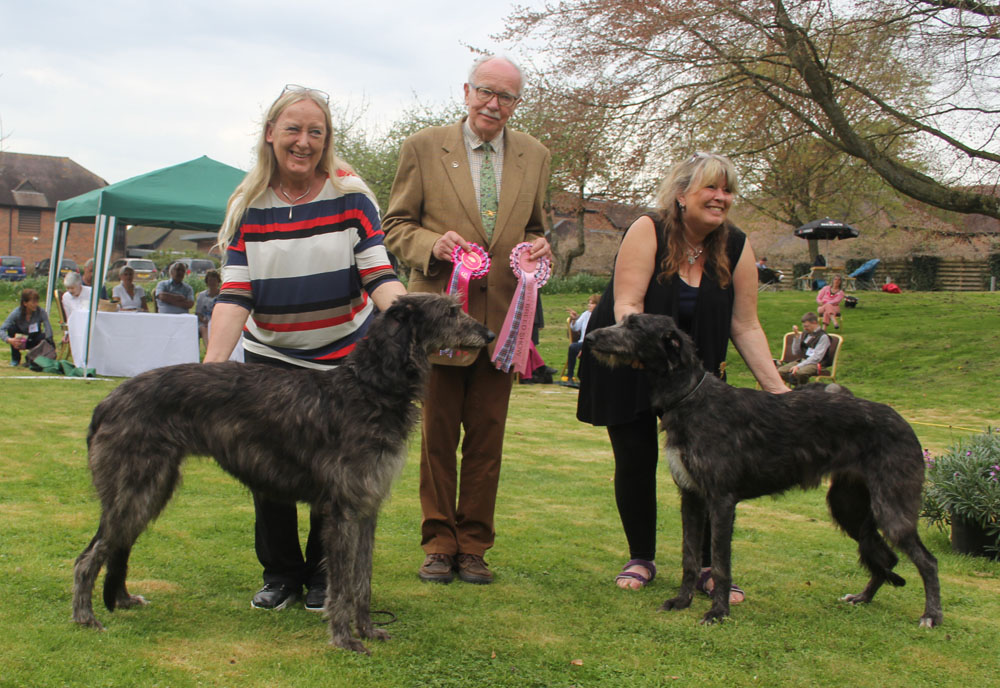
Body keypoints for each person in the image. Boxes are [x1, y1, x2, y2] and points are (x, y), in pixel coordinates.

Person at [203, 84, 406, 613]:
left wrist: (407, 314)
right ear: (270, 134)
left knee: (335, 475)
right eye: (293, 129)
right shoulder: (247, 205)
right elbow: (235, 293)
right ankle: (280, 575)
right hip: (271, 356)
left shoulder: (351, 195)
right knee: (267, 472)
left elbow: (378, 271)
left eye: (316, 131)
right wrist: (209, 371)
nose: (304, 141)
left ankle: (323, 577)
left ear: (327, 139)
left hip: (342, 356)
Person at [576, 152, 788, 601]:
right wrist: (639, 352)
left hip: (694, 379)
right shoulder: (647, 229)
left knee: (710, 466)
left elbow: (745, 325)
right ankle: (641, 557)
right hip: (632, 358)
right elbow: (628, 305)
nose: (721, 198)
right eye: (711, 188)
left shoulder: (736, 246)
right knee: (635, 459)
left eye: (728, 190)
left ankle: (708, 567)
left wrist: (779, 392)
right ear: (681, 195)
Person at [383, 54, 551, 585]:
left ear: (517, 103)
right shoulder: (423, 147)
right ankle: (438, 541)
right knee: (435, 436)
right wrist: (434, 245)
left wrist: (541, 249)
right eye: (485, 92)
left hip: (504, 324)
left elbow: (535, 229)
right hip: (438, 321)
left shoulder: (536, 155)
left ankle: (474, 545)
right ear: (466, 91)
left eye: (506, 97)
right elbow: (395, 227)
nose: (494, 105)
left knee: (487, 439)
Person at [3, 288, 55, 367]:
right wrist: (9, 340)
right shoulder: (16, 313)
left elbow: (48, 328)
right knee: (11, 328)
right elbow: (2, 329)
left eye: (37, 302)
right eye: (33, 302)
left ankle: (35, 358)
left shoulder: (41, 312)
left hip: (35, 338)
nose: (36, 304)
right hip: (20, 339)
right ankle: (15, 359)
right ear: (25, 303)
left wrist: (50, 342)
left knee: (44, 336)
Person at [777, 312, 831, 386]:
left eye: (807, 326)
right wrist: (796, 338)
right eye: (804, 326)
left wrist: (799, 366)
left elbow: (817, 358)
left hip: (816, 364)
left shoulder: (823, 337)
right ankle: (803, 387)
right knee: (781, 371)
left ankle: (803, 389)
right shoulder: (805, 334)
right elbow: (796, 352)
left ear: (814, 323)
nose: (805, 328)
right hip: (803, 361)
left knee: (800, 373)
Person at [564, 293, 599, 385]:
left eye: (592, 303)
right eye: (589, 303)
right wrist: (574, 319)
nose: (589, 305)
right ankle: (570, 375)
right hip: (583, 342)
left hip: (595, 343)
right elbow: (575, 328)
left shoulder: (600, 316)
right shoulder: (585, 314)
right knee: (572, 347)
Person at [194, 269, 221, 346]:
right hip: (204, 321)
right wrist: (204, 320)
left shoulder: (222, 295)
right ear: (207, 282)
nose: (212, 283)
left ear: (218, 282)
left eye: (214, 280)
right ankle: (209, 350)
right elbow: (198, 313)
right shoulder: (201, 295)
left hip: (218, 321)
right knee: (204, 328)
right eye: (210, 280)